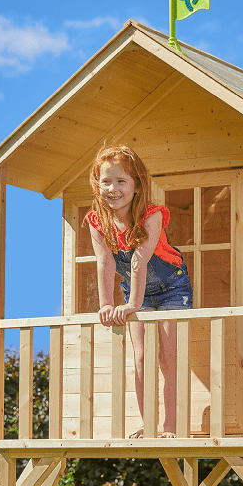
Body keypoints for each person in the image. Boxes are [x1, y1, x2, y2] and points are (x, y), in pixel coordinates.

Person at [86, 144, 191, 438]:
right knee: (142, 358)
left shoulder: (152, 215)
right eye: (106, 181)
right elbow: (105, 262)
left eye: (121, 181)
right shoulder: (97, 221)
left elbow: (139, 259)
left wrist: (133, 304)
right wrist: (107, 304)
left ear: (137, 185)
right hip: (135, 288)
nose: (113, 188)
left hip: (172, 287)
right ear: (97, 184)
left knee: (168, 358)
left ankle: (170, 426)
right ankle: (149, 425)